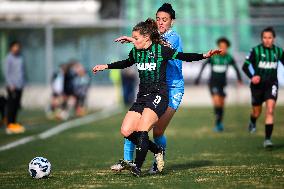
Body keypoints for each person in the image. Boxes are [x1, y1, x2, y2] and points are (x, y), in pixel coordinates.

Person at [93, 18, 221, 177]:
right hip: (142, 97)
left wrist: (205, 55)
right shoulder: (136, 51)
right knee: (126, 131)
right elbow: (126, 62)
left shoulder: (161, 50)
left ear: (146, 38)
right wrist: (106, 66)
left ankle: (137, 167)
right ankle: (157, 150)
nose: (133, 41)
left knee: (142, 130)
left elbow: (183, 56)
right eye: (133, 38)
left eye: (136, 38)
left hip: (159, 95)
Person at [111, 3, 186, 174]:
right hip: (154, 89)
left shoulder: (173, 37)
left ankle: (157, 160)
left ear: (172, 22)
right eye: (158, 19)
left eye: (165, 20)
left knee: (158, 130)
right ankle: (127, 161)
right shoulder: (151, 37)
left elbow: (159, 44)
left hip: (173, 88)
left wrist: (135, 39)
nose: (160, 22)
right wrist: (137, 39)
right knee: (135, 125)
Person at [242, 27, 284, 148]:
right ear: (262, 38)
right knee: (257, 111)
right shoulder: (255, 50)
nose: (267, 40)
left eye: (269, 37)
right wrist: (252, 77)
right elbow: (245, 67)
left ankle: (267, 139)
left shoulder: (279, 51)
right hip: (257, 86)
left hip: (271, 84)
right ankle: (253, 121)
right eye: (264, 37)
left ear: (274, 38)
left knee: (270, 110)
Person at [195, 37, 242, 132]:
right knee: (216, 101)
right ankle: (217, 124)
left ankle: (219, 123)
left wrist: (239, 79)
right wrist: (198, 78)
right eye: (221, 46)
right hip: (213, 83)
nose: (222, 49)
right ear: (218, 47)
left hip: (223, 83)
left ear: (227, 48)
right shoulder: (213, 56)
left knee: (221, 103)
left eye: (224, 47)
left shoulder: (229, 57)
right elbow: (204, 65)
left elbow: (236, 68)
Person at [3, 41, 25, 134]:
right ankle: (9, 125)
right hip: (12, 86)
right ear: (11, 48)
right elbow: (7, 73)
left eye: (18, 47)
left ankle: (14, 124)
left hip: (20, 85)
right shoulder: (8, 58)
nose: (17, 49)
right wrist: (10, 84)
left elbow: (22, 71)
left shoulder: (20, 57)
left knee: (16, 106)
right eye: (15, 47)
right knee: (11, 106)